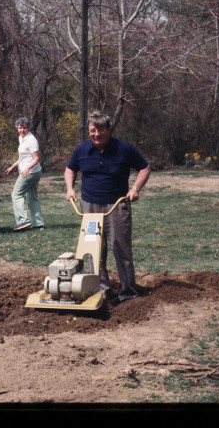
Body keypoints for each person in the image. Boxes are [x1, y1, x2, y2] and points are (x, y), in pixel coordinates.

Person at [65, 111, 151, 302]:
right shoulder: (82, 150)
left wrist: (135, 189)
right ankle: (101, 291)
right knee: (94, 251)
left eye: (101, 130)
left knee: (121, 249)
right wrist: (70, 189)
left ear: (109, 129)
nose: (97, 134)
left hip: (117, 206)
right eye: (93, 130)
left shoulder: (124, 148)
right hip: (89, 207)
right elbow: (70, 168)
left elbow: (145, 168)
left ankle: (128, 292)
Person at [4, 117, 45, 231]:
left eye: (25, 128)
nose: (22, 130)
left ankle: (23, 221)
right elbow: (23, 157)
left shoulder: (31, 140)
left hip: (30, 172)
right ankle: (38, 223)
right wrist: (12, 167)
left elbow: (36, 158)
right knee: (32, 197)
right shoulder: (21, 138)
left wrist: (27, 168)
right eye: (20, 128)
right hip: (31, 171)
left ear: (28, 128)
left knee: (16, 194)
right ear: (17, 128)